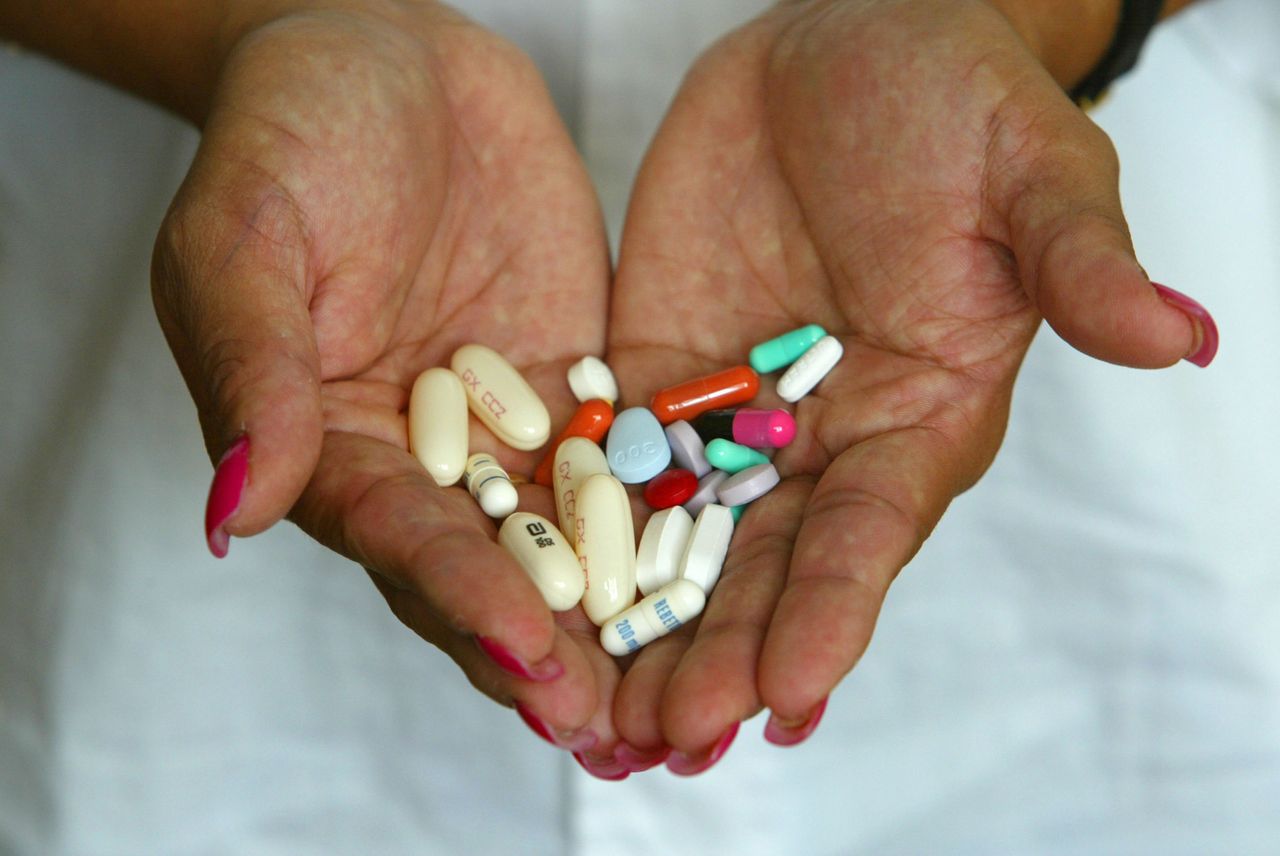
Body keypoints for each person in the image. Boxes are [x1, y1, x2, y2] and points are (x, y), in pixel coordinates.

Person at [2, 0, 1276, 852]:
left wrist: (1012, 14)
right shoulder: (674, 448)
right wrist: (253, 28)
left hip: (1061, 502)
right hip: (202, 502)